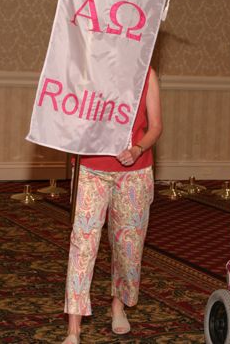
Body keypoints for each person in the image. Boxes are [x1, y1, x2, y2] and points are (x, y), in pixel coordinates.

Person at [62, 66, 162, 344]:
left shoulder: (146, 74)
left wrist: (138, 148)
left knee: (128, 245)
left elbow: (155, 127)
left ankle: (118, 305)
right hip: (90, 169)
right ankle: (74, 328)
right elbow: (67, 117)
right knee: (82, 242)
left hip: (134, 171)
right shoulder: (85, 71)